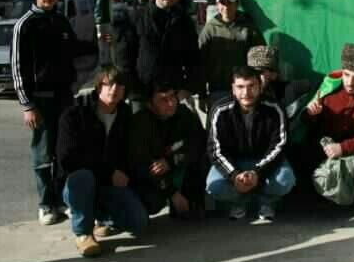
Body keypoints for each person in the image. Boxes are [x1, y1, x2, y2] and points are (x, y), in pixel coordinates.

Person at [12, 0, 92, 225]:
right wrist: (27, 105)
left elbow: (74, 48)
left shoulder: (60, 21)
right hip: (41, 100)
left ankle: (62, 200)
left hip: (64, 97)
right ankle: (46, 204)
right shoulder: (25, 25)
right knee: (43, 156)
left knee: (64, 151)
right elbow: (18, 69)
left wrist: (98, 42)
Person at [57, 67, 148, 257]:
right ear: (99, 87)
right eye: (109, 84)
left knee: (138, 222)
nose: (114, 89)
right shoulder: (75, 114)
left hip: (109, 185)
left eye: (119, 85)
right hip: (79, 183)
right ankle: (83, 233)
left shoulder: (125, 116)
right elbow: (68, 159)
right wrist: (108, 173)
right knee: (82, 177)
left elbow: (130, 154)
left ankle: (102, 218)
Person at [206, 66, 294, 221]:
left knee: (285, 180)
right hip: (234, 163)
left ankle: (266, 201)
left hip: (264, 162)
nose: (246, 93)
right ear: (233, 89)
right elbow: (215, 150)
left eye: (251, 86)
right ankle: (239, 202)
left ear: (260, 86)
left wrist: (258, 173)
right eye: (240, 87)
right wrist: (234, 175)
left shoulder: (274, 107)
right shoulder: (219, 110)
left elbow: (279, 146)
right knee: (214, 186)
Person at [304, 44, 354, 200]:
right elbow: (308, 124)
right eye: (346, 75)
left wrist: (343, 148)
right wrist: (312, 114)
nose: (350, 82)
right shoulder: (329, 90)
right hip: (326, 145)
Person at [120, 0, 204, 113]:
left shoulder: (184, 22)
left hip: (174, 93)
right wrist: (134, 91)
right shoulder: (136, 18)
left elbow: (193, 58)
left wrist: (187, 88)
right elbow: (124, 58)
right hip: (143, 94)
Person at [128, 79, 208, 220]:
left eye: (172, 97)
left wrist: (171, 161)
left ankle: (193, 200)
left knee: (203, 160)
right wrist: (172, 193)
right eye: (163, 100)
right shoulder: (140, 124)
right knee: (151, 202)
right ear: (150, 104)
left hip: (178, 166)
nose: (171, 103)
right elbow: (142, 164)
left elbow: (200, 143)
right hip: (155, 177)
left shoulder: (184, 114)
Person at [199, 0, 265, 108]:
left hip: (245, 89)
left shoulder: (248, 27)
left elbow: (260, 55)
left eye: (230, 3)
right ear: (217, 4)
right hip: (218, 90)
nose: (226, 7)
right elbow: (200, 63)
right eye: (222, 3)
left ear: (237, 4)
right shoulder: (209, 29)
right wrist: (202, 94)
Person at [247, 45, 313, 124]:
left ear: (273, 74)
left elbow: (314, 86)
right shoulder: (240, 97)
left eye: (259, 72)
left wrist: (309, 109)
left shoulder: (288, 91)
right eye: (250, 72)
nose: (254, 77)